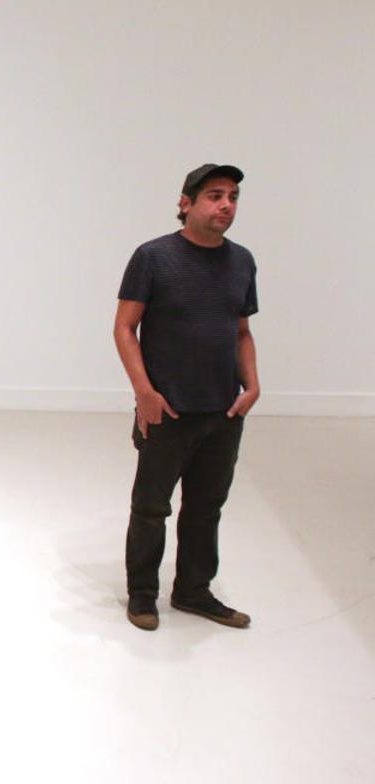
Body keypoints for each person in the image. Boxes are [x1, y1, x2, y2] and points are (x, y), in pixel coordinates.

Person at [113, 164, 260, 631]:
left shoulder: (242, 261)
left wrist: (253, 386)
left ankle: (194, 591)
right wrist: (145, 394)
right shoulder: (153, 257)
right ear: (185, 203)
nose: (226, 205)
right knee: (151, 508)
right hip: (168, 410)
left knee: (205, 508)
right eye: (215, 195)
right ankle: (142, 594)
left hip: (224, 411)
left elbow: (241, 331)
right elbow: (124, 328)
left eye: (233, 197)